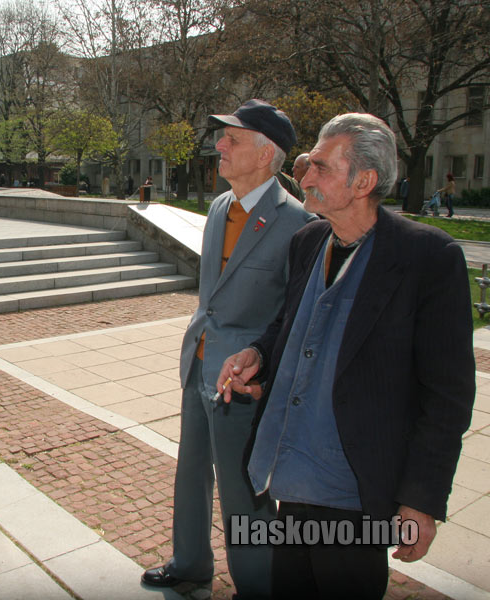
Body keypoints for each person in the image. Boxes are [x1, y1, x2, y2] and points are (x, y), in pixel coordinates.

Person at [217, 113, 475, 599]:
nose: (305, 177)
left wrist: (421, 499)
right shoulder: (308, 241)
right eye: (306, 164)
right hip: (288, 479)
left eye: (319, 167)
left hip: (355, 493)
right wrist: (259, 355)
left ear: (365, 181)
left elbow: (448, 396)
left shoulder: (427, 258)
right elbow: (291, 325)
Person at [141, 99, 315, 598]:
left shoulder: (298, 223)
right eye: (223, 137)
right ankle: (191, 563)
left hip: (244, 382)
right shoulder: (219, 206)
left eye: (232, 139)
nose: (220, 145)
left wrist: (261, 369)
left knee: (245, 493)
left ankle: (258, 586)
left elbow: (292, 318)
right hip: (198, 365)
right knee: (191, 472)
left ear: (266, 155)